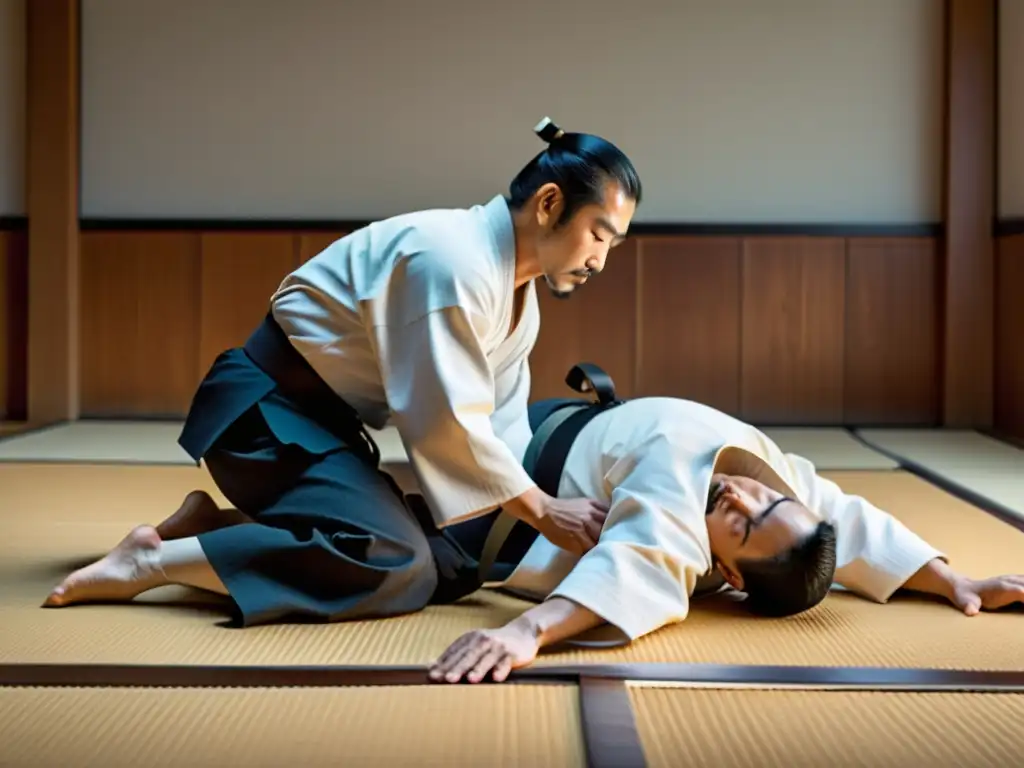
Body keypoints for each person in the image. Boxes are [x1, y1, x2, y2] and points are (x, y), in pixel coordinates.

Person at [42, 118, 643, 626]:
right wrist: (538, 509)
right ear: (548, 204)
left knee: (455, 561)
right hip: (265, 420)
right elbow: (446, 425)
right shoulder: (449, 262)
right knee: (396, 564)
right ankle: (148, 562)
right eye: (598, 234)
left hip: (325, 432)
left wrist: (543, 503)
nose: (600, 260)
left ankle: (215, 529)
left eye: (613, 246)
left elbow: (498, 423)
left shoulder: (515, 295)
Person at [426, 386, 1024, 684]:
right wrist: (955, 580)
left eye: (744, 523)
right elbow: (851, 518)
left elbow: (636, 566)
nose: (741, 493)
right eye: (769, 500)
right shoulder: (782, 487)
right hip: (546, 422)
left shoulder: (674, 516)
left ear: (730, 576)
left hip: (517, 483)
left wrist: (527, 632)